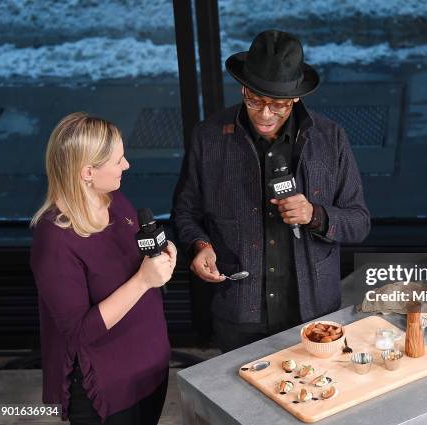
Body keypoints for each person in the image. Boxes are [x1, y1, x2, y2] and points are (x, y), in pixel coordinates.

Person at [172, 30, 370, 352]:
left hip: (314, 312)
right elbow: (185, 211)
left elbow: (359, 222)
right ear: (243, 89)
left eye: (278, 104)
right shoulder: (208, 137)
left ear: (296, 98)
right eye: (255, 100)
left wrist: (314, 215)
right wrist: (200, 245)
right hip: (239, 311)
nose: (265, 114)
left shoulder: (331, 138)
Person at [30, 112, 175, 424]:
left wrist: (162, 253)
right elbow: (78, 333)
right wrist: (143, 281)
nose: (126, 166)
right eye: (118, 160)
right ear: (87, 172)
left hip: (149, 367)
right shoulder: (54, 240)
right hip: (109, 389)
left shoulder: (113, 200)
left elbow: (136, 259)